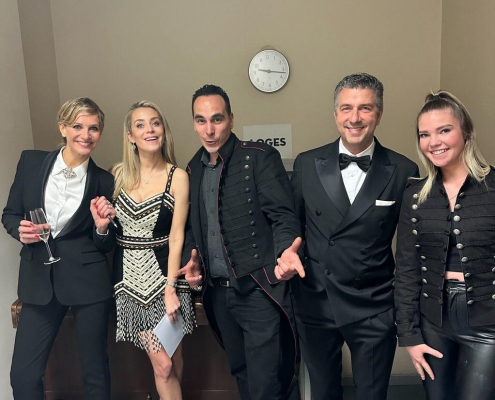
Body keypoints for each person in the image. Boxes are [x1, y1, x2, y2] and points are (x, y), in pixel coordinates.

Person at [286, 73, 419, 400]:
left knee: (372, 394)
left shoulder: (403, 170)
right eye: (346, 108)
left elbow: (409, 252)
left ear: (379, 114)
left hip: (373, 304)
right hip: (316, 301)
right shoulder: (306, 163)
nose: (354, 118)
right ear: (335, 114)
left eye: (365, 108)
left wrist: (405, 314)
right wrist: (285, 251)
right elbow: (290, 225)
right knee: (323, 393)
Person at [175, 84, 303, 400]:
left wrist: (286, 250)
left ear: (231, 119)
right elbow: (193, 226)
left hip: (258, 289)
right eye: (201, 120)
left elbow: (283, 216)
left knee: (265, 381)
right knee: (241, 372)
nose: (209, 130)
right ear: (194, 123)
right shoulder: (192, 169)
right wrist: (192, 256)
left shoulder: (259, 157)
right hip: (218, 294)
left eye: (217, 119)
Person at [2, 97, 115, 399]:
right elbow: (10, 213)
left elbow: (106, 244)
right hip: (38, 281)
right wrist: (19, 231)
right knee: (23, 376)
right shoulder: (30, 162)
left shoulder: (105, 180)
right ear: (63, 127)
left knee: (95, 372)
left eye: (93, 128)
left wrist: (102, 227)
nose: (85, 135)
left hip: (88, 282)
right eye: (77, 126)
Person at [395, 90, 495, 400]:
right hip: (433, 321)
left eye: (444, 130)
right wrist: (409, 335)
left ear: (466, 132)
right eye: (424, 134)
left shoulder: (493, 188)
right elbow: (407, 269)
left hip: (487, 322)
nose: (433, 142)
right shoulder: (415, 196)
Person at [104, 101, 193, 400]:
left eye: (155, 123)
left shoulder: (177, 176)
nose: (149, 130)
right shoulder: (115, 175)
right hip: (128, 282)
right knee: (163, 365)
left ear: (163, 131)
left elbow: (177, 236)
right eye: (140, 125)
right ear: (130, 135)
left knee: (174, 361)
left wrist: (171, 288)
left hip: (168, 278)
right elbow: (104, 228)